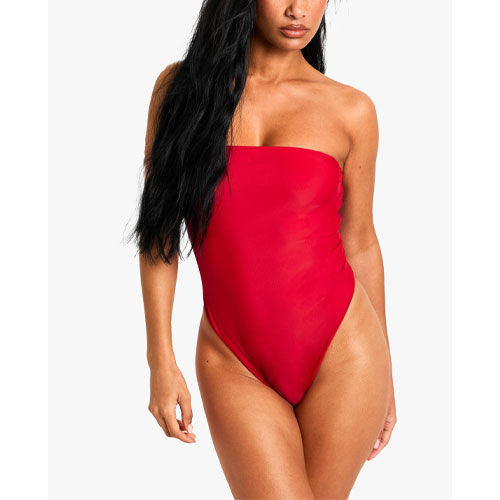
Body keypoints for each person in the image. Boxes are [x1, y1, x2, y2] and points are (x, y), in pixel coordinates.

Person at [133, 1, 396, 498]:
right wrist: (160, 361)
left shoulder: (351, 110)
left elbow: (360, 240)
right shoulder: (180, 93)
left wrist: (388, 378)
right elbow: (159, 234)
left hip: (345, 354)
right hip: (233, 359)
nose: (298, 10)